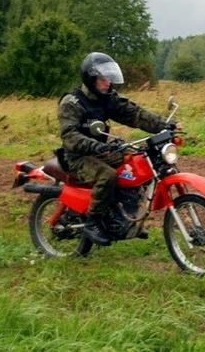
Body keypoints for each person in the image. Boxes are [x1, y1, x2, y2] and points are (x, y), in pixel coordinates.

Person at [57, 52, 177, 246]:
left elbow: (134, 114)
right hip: (78, 156)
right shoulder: (72, 103)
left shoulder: (107, 97)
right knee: (108, 176)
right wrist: (97, 145)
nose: (108, 83)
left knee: (139, 166)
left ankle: (124, 219)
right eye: (103, 79)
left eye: (109, 79)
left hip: (104, 150)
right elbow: (70, 136)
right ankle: (93, 222)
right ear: (90, 78)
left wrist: (164, 125)